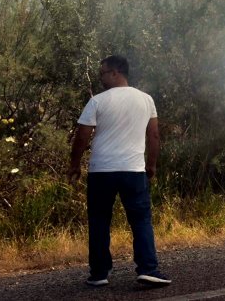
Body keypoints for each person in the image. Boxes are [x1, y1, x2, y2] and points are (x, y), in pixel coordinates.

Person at [68, 55, 171, 288]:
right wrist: (151, 164)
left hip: (102, 171)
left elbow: (82, 135)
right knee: (141, 219)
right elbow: (154, 135)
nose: (100, 78)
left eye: (102, 73)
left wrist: (74, 164)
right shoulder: (146, 100)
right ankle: (148, 269)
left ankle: (99, 274)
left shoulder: (98, 102)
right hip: (133, 170)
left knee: (99, 221)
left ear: (115, 72)